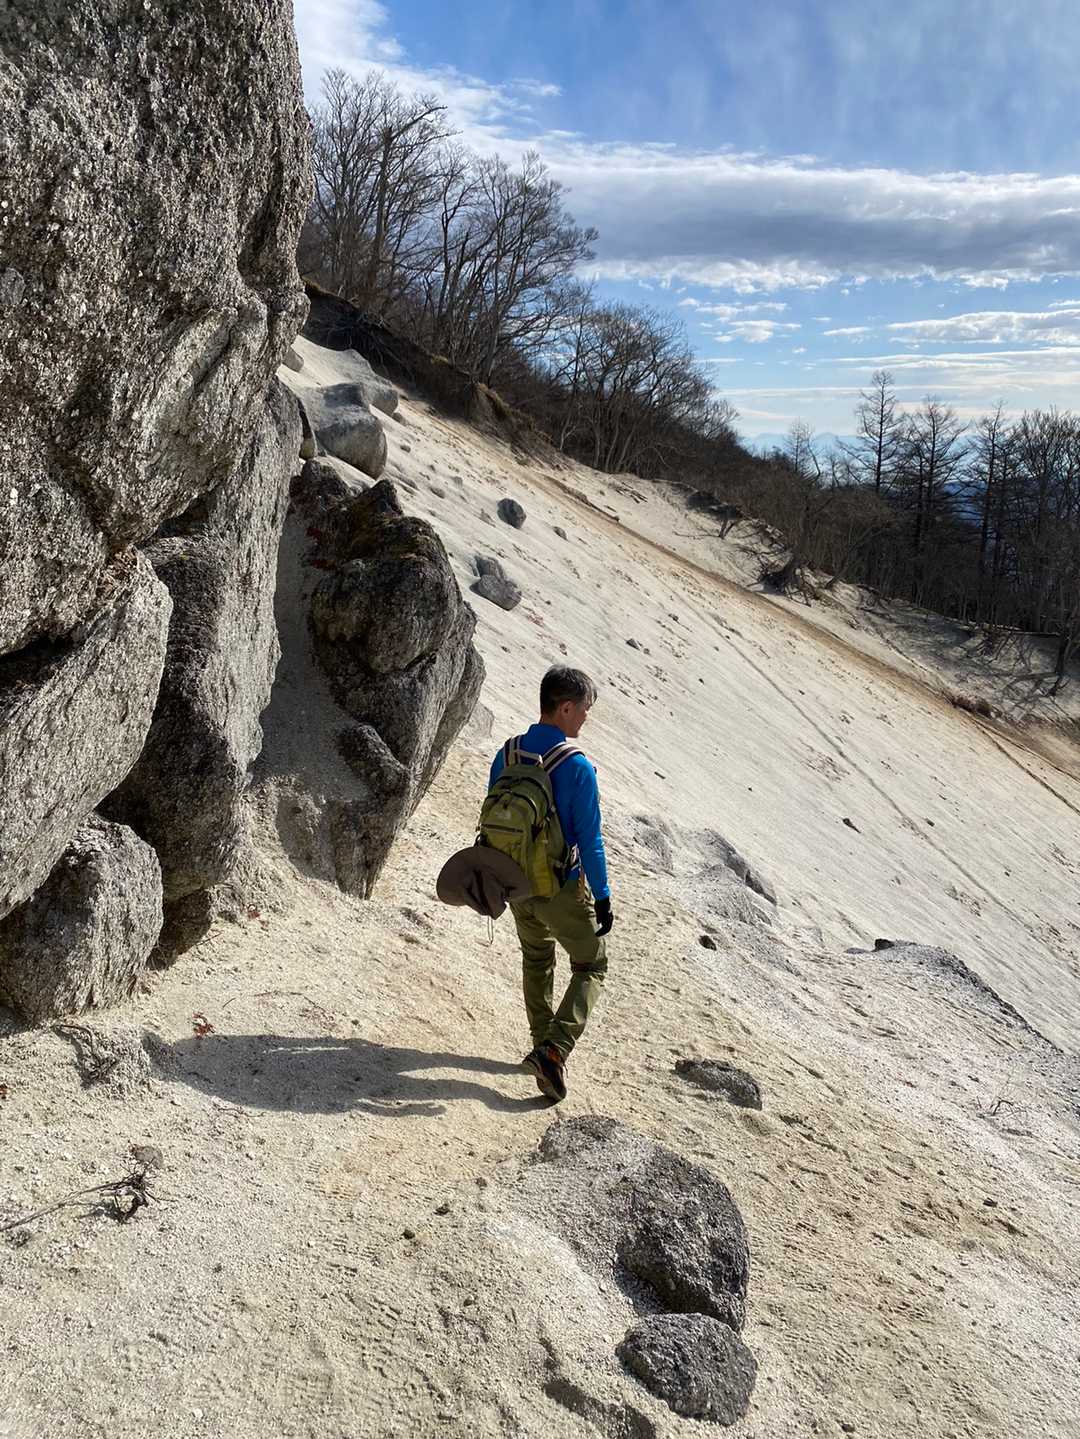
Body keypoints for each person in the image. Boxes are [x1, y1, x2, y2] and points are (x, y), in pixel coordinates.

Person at [489, 666, 613, 1101]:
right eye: (585, 708)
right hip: (559, 886)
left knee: (537, 958)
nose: (587, 716)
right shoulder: (576, 767)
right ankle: (555, 1050)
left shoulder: (507, 753)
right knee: (592, 964)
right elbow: (590, 839)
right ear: (565, 708)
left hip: (513, 880)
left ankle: (543, 1047)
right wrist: (602, 896)